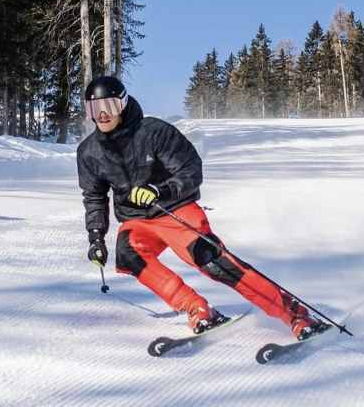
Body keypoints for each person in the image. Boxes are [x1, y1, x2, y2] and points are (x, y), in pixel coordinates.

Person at [77, 75, 327, 340]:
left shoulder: (153, 131)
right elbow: (94, 197)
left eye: (110, 106)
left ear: (123, 105)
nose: (102, 115)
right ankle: (196, 308)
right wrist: (96, 237)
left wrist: (159, 190)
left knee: (213, 262)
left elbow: (191, 170)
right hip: (137, 220)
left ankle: (295, 314)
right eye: (95, 109)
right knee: (129, 255)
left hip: (174, 209)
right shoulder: (89, 152)